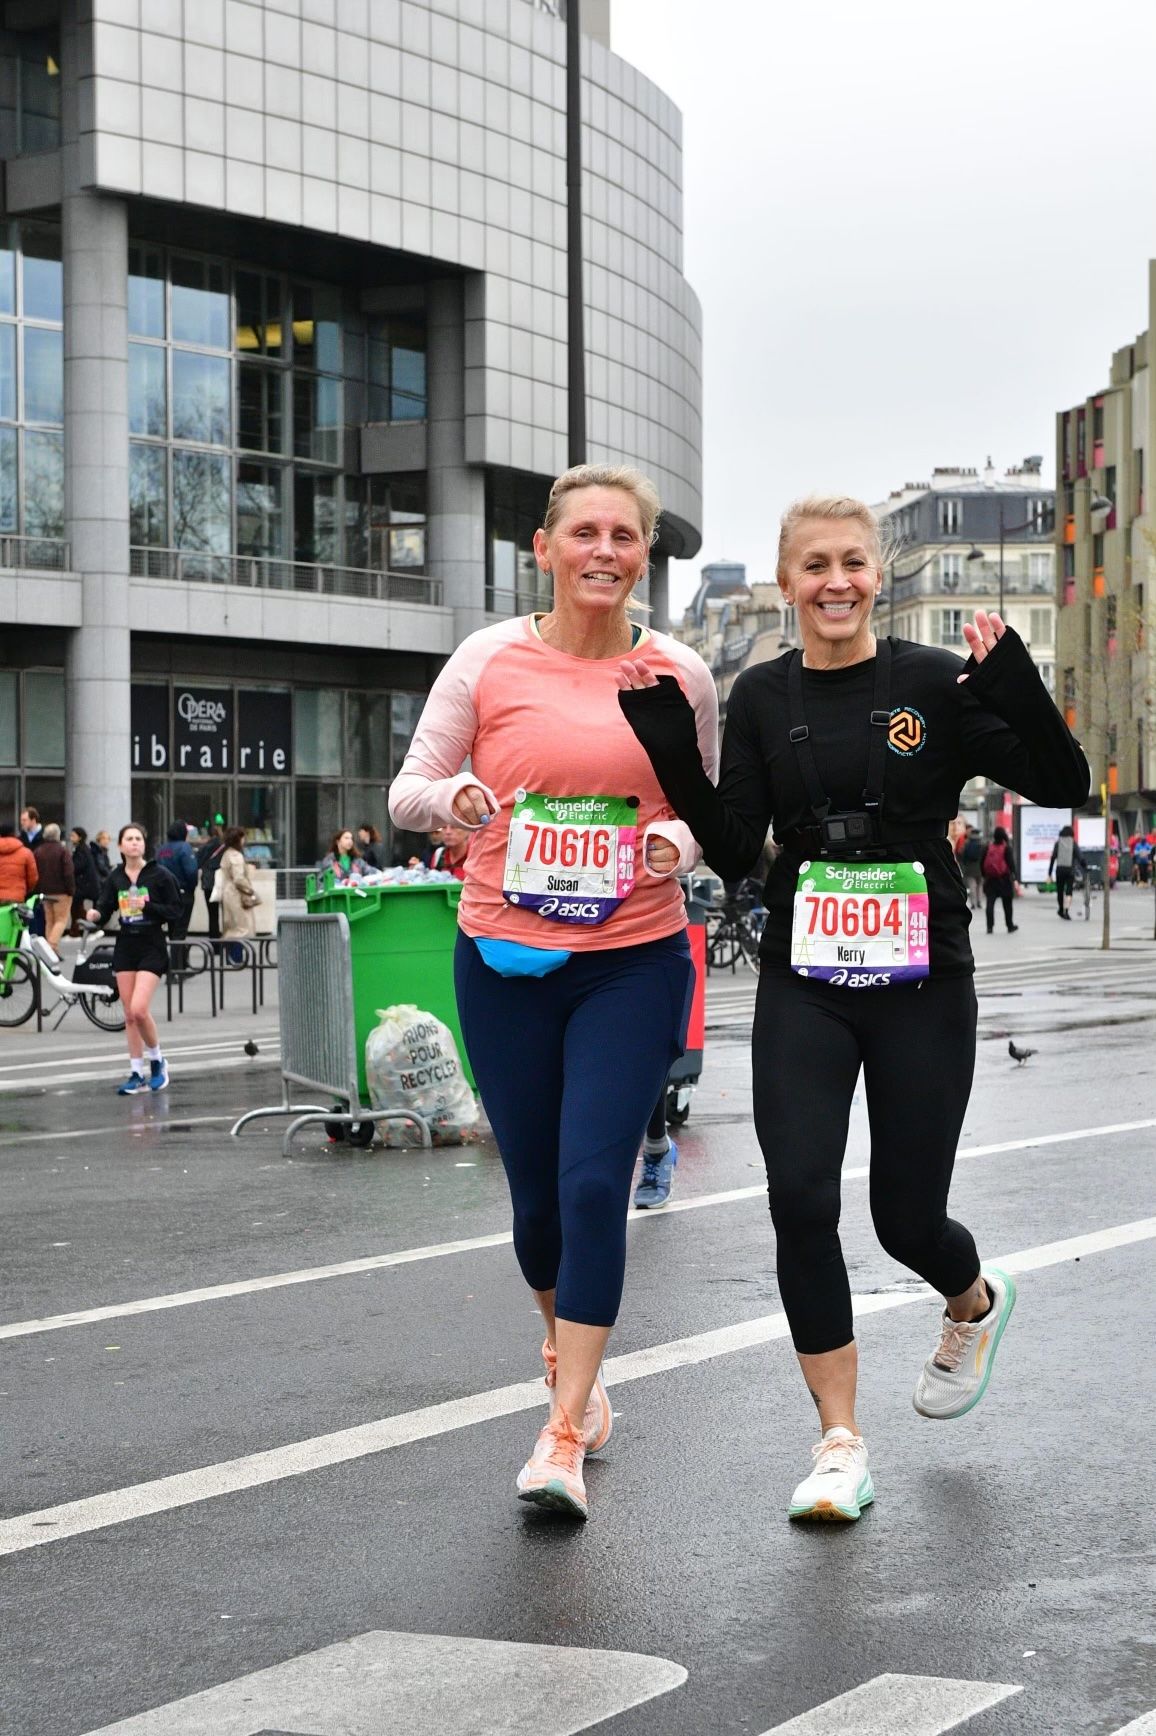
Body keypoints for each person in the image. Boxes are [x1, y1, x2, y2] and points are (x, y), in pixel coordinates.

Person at [617, 493, 1088, 1523]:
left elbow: (1065, 781)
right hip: (806, 974)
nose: (836, 582)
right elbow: (740, 849)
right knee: (798, 1196)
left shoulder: (932, 679)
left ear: (879, 572)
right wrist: (671, 760)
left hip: (923, 978)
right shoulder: (758, 694)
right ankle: (838, 1441)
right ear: (787, 582)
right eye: (815, 565)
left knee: (904, 1216)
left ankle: (972, 1296)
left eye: (854, 563)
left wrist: (1015, 684)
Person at [390, 463, 717, 1522]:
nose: (605, 551)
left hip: (632, 955)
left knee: (592, 1187)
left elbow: (709, 807)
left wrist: (672, 838)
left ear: (643, 556)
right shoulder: (488, 657)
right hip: (504, 960)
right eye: (585, 532)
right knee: (536, 1205)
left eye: (625, 536)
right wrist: (458, 797)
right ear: (544, 548)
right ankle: (568, 1353)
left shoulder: (677, 674)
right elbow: (406, 793)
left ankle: (563, 1427)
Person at [87, 824, 182, 1094]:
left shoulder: (160, 875)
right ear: (120, 846)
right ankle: (135, 1072)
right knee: (129, 1015)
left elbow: (175, 910)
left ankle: (158, 1061)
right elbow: (105, 907)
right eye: (128, 839)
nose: (134, 843)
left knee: (139, 1009)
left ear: (144, 844)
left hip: (152, 943)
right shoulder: (116, 877)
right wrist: (96, 915)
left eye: (138, 838)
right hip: (126, 943)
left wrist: (148, 905)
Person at [155, 821, 199, 963]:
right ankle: (177, 966)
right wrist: (191, 887)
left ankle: (179, 962)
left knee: (173, 930)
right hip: (182, 893)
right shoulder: (184, 848)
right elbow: (191, 872)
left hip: (165, 895)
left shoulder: (161, 849)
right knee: (180, 931)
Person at [216, 826, 260, 961]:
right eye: (242, 837)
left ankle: (231, 957)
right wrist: (250, 890)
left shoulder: (226, 853)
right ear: (238, 839)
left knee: (230, 926)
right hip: (236, 894)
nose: (244, 840)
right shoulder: (236, 856)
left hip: (228, 892)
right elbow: (239, 878)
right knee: (240, 928)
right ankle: (236, 958)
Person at [32, 823, 75, 952]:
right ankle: (51, 946)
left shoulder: (38, 851)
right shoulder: (62, 851)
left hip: (45, 891)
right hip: (61, 891)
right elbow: (68, 872)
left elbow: (35, 872)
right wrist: (71, 889)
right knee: (61, 920)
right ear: (57, 835)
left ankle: (50, 950)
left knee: (49, 920)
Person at [982, 825, 1019, 934]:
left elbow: (982, 863)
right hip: (1004, 880)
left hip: (991, 880)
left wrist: (985, 876)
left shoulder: (988, 847)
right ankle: (1009, 925)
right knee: (1007, 904)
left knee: (990, 904)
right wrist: (1015, 877)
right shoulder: (1007, 848)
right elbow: (1011, 864)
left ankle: (989, 927)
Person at [196, 826, 226, 942]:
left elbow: (198, 862)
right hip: (222, 882)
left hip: (208, 882)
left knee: (212, 915)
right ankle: (226, 939)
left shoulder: (205, 847)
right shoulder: (225, 846)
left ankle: (214, 942)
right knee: (226, 913)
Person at [69, 827, 101, 935]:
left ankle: (78, 929)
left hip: (84, 884)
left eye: (73, 835)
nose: (70, 838)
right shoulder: (82, 849)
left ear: (80, 837)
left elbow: (78, 866)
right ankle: (77, 929)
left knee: (76, 907)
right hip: (85, 883)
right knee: (77, 907)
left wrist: (69, 865)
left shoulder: (81, 850)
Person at [1048, 824, 1084, 919]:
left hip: (1060, 870)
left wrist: (1049, 873)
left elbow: (1053, 858)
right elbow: (1080, 857)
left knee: (1060, 891)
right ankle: (1066, 910)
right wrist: (1085, 866)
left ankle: (1060, 909)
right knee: (1069, 891)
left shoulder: (1058, 843)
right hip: (1070, 870)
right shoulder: (1073, 843)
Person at [0, 822, 37, 905]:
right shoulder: (26, 852)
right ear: (14, 834)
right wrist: (25, 889)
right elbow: (33, 878)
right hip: (16, 897)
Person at [958, 825, 985, 909]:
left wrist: (964, 863)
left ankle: (973, 903)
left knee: (972, 886)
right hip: (980, 868)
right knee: (979, 885)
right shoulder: (982, 844)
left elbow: (961, 855)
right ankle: (979, 901)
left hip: (969, 868)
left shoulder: (966, 843)